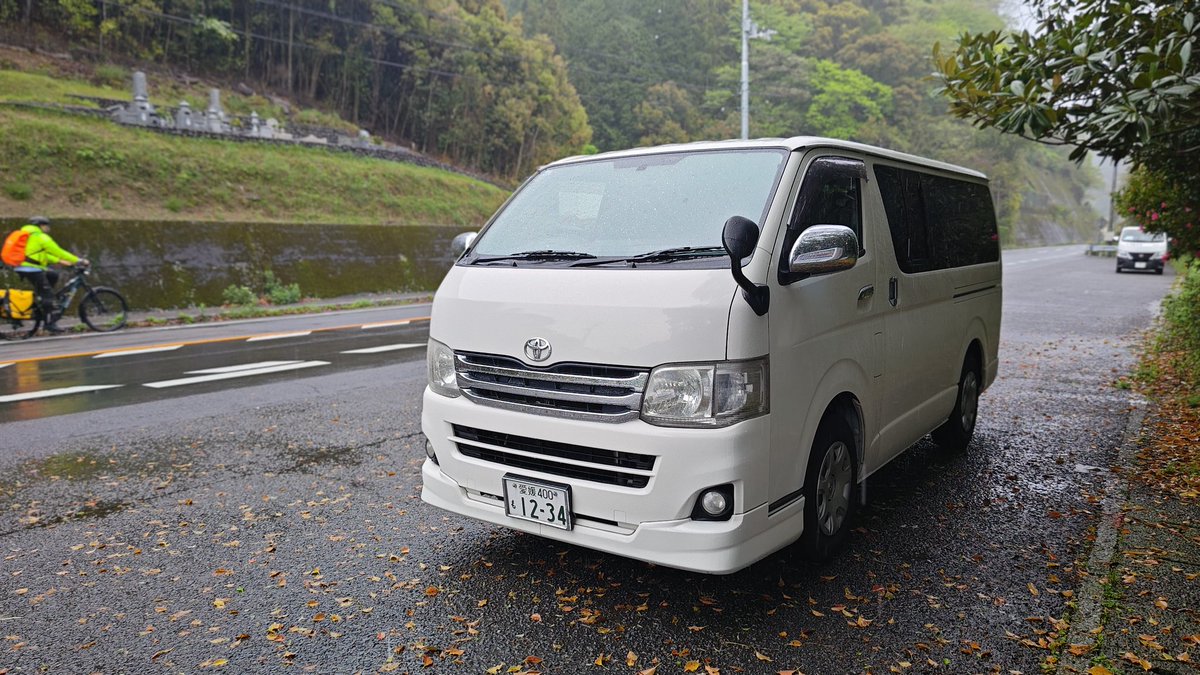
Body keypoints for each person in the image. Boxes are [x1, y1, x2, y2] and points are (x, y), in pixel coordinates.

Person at [13, 216, 88, 334]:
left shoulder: (27, 235)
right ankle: (49, 324)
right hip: (32, 269)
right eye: (47, 225)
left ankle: (41, 300)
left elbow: (37, 255)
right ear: (41, 226)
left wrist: (59, 261)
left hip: (24, 267)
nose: (48, 228)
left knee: (53, 275)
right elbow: (58, 251)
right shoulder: (41, 237)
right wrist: (78, 260)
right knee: (47, 295)